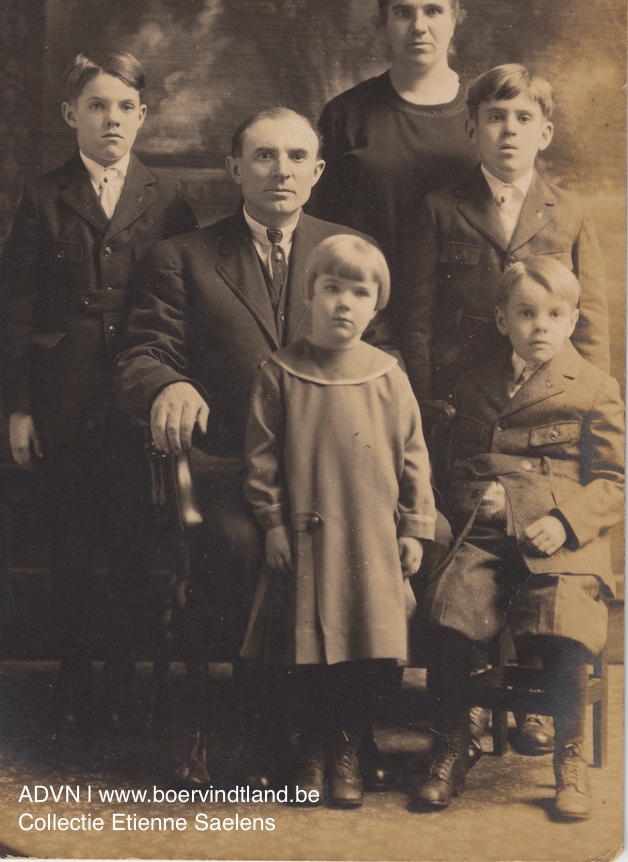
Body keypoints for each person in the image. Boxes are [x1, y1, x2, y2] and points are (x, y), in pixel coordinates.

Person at [114, 107, 395, 787]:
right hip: (234, 470)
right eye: (264, 156)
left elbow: (385, 355)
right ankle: (269, 729)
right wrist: (167, 384)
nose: (281, 170)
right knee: (244, 547)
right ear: (234, 168)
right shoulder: (183, 257)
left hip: (335, 470)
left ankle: (343, 731)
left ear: (317, 171)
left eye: (297, 157)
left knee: (380, 541)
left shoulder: (350, 250)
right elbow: (142, 351)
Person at [0, 50, 197, 732]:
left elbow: (185, 303)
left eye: (124, 107)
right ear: (69, 115)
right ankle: (75, 671)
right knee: (71, 540)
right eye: (96, 106)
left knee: (134, 540)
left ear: (142, 116)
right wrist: (18, 406)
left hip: (136, 397)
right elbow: (15, 308)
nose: (112, 119)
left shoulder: (167, 197)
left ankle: (122, 672)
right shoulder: (43, 195)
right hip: (64, 397)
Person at [411, 258, 624, 820]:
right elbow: (457, 468)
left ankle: (569, 760)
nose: (540, 326)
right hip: (486, 537)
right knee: (449, 610)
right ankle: (451, 748)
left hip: (562, 542)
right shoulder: (474, 384)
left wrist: (564, 520)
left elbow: (614, 481)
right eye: (526, 313)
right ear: (502, 320)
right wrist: (477, 499)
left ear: (573, 319)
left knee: (566, 619)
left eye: (554, 314)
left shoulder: (595, 388)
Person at [240, 234, 436, 807]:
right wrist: (273, 523)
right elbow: (261, 458)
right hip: (308, 536)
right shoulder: (279, 372)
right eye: (331, 289)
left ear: (376, 306)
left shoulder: (388, 375)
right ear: (309, 294)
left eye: (360, 293)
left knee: (367, 647)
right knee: (306, 649)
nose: (344, 303)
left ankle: (348, 745)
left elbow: (414, 457)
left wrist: (413, 528)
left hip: (371, 536)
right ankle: (312, 748)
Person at [400, 63, 610, 405]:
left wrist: (593, 402)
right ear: (472, 131)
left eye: (524, 118)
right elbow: (417, 325)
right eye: (496, 117)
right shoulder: (439, 209)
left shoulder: (571, 212)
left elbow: (590, 322)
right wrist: (424, 404)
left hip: (548, 392)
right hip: (460, 390)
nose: (510, 129)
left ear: (545, 134)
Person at [309, 0, 478, 285]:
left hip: (464, 310)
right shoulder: (345, 115)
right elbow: (317, 233)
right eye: (403, 12)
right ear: (383, 21)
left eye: (433, 11)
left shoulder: (487, 113)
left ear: (455, 18)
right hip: (365, 305)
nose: (419, 26)